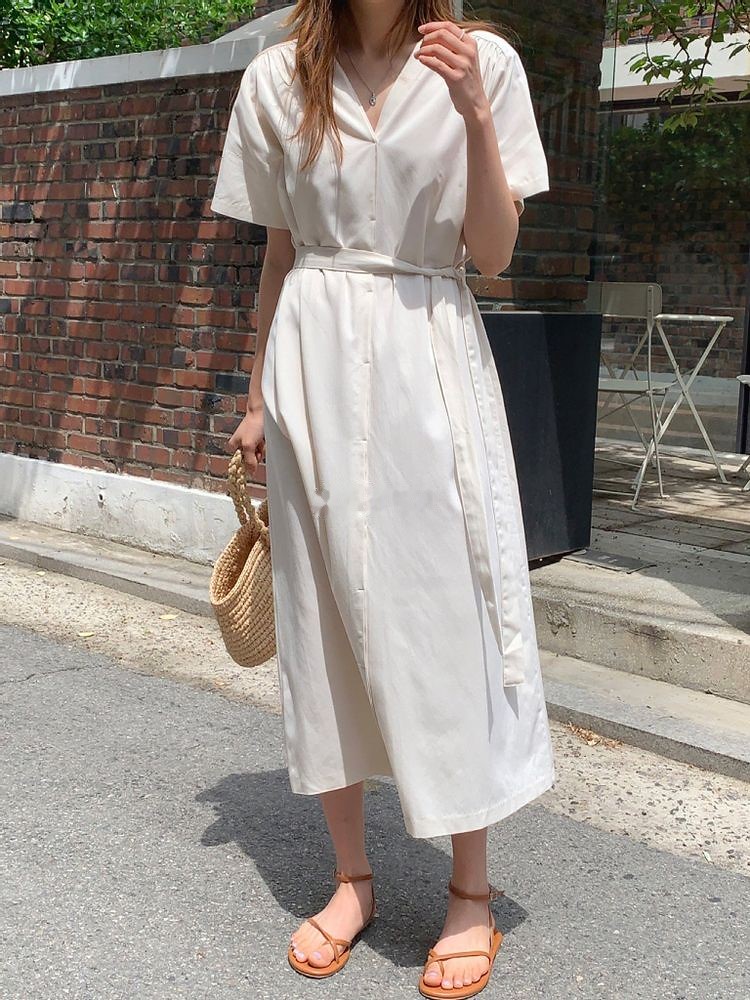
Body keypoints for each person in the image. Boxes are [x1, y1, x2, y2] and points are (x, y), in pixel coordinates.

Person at [211, 1, 556, 996]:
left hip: (427, 355)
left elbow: (494, 252)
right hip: (310, 363)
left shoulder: (482, 62)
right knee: (322, 626)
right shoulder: (278, 78)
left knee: (445, 617)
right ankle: (352, 879)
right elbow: (280, 253)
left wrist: (473, 113)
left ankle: (470, 892)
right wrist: (256, 398)